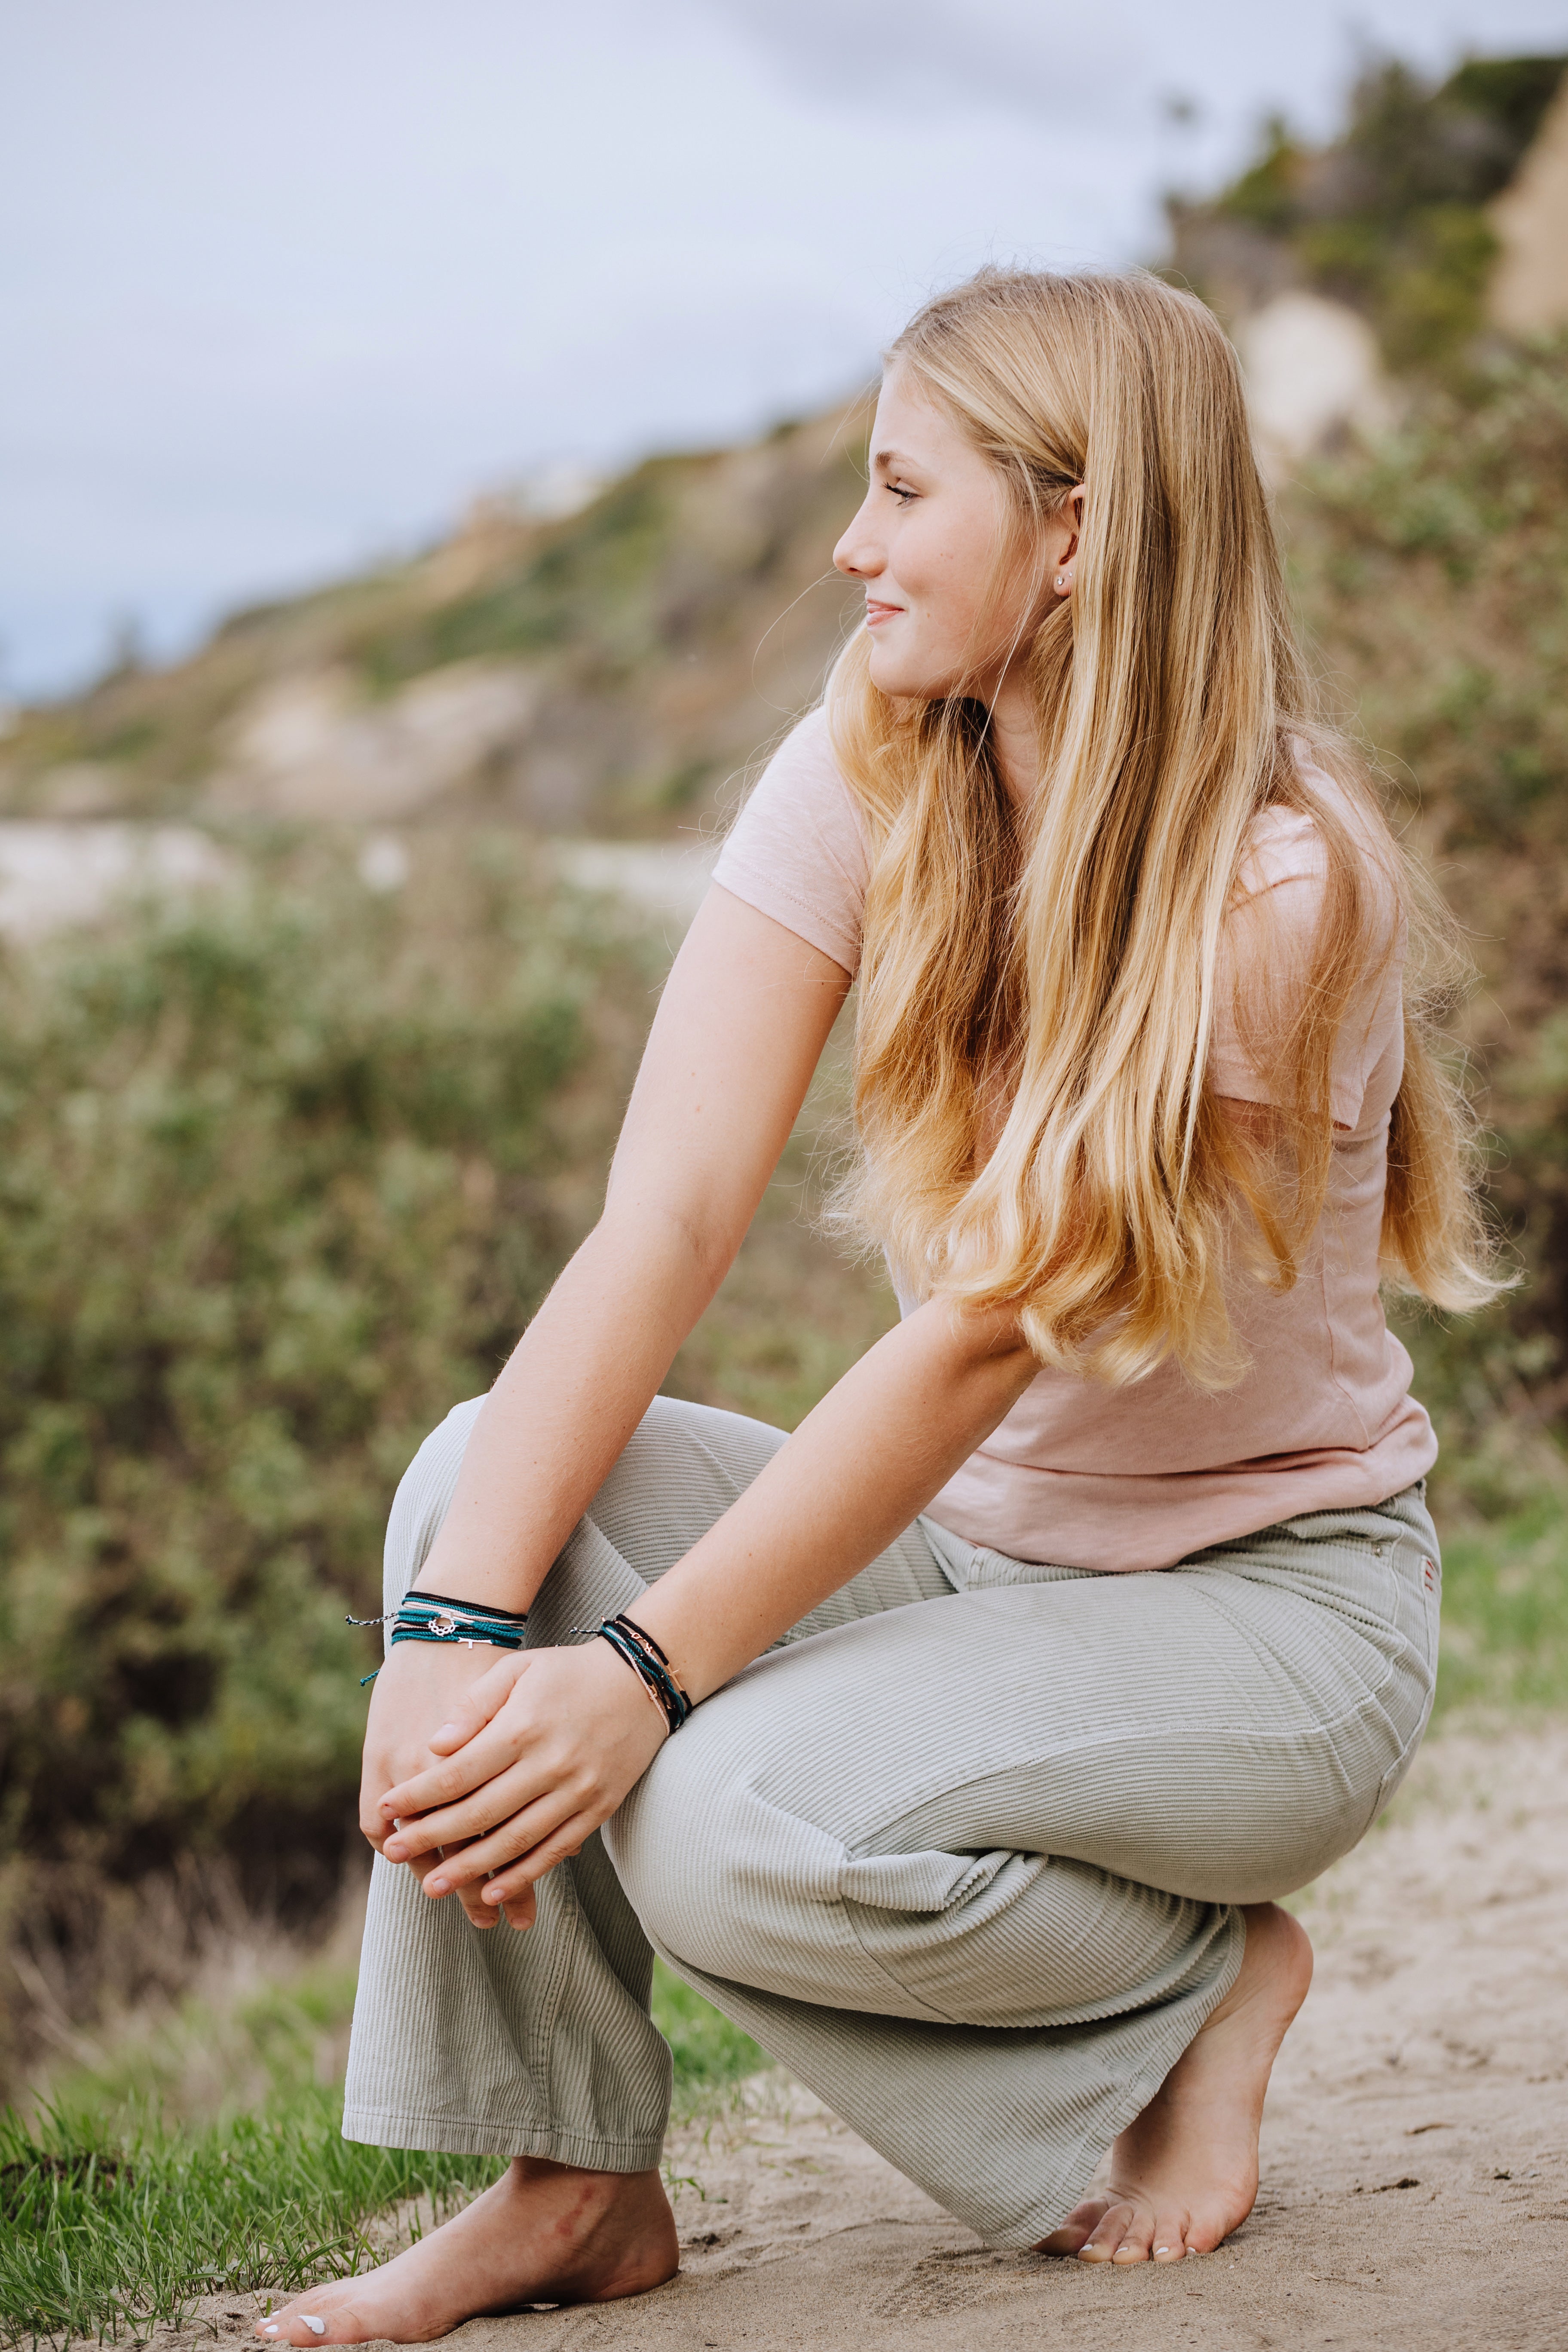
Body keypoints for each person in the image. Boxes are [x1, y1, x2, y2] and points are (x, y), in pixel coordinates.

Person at [257, 267, 1495, 2345]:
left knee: (725, 1824)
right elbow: (662, 1215)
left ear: (1078, 529)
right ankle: (571, 2186)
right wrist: (454, 1637)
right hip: (978, 1562)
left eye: (906, 492)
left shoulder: (1284, 887)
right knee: (483, 1487)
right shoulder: (875, 768)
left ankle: (1205, 1990)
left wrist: (637, 1678)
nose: (855, 545)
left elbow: (985, 1334)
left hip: (1276, 1610)